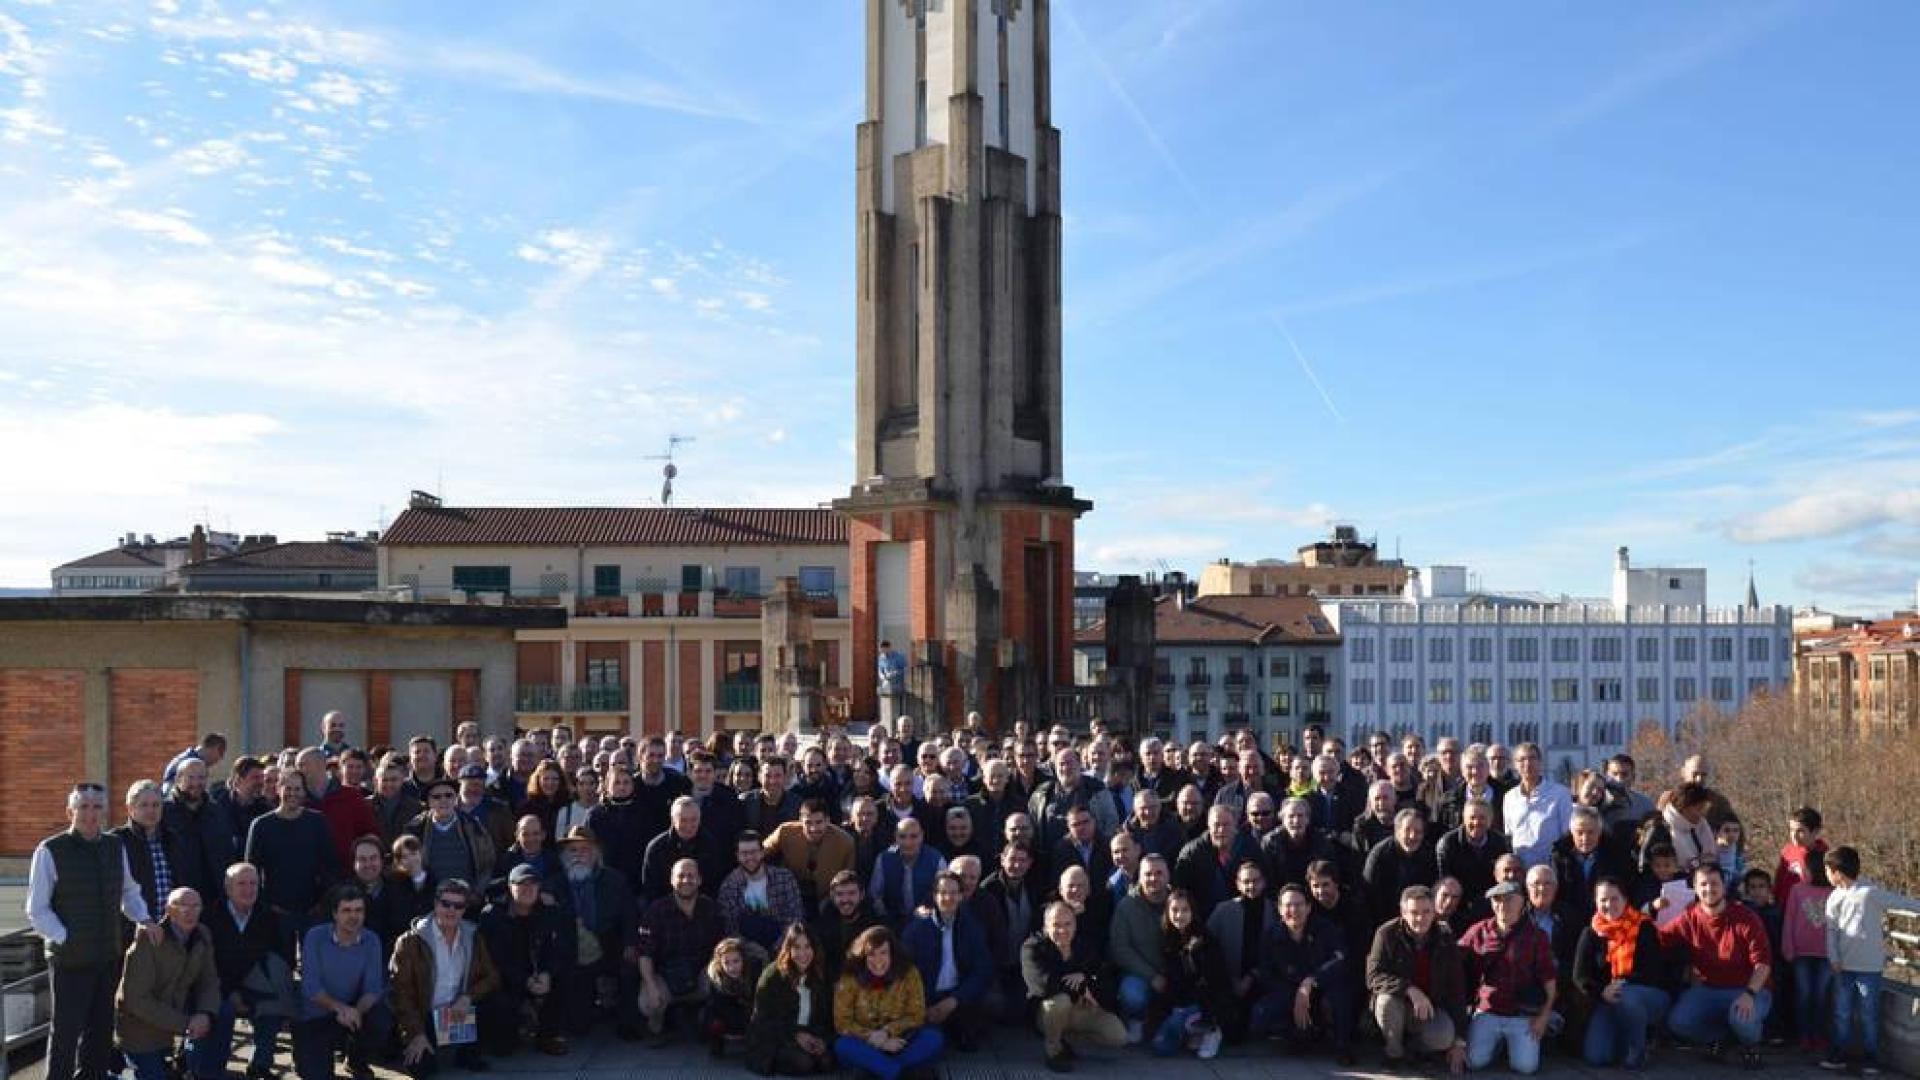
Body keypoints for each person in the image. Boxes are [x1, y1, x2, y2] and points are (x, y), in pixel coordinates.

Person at [29, 781, 161, 1080]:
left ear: (105, 811)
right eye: (83, 807)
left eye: (97, 807)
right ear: (70, 812)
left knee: (101, 1031)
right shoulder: (50, 850)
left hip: (107, 955)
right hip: (69, 960)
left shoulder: (115, 846)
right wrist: (67, 938)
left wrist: (145, 918)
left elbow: (129, 891)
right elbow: (37, 910)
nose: (90, 814)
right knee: (65, 1032)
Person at [1657, 863, 1773, 1068]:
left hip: (1748, 989)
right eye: (1703, 884)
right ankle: (1723, 1039)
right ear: (1694, 888)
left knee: (1742, 1019)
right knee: (1679, 1022)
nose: (1709, 889)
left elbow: (1763, 964)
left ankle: (1751, 1045)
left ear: (1724, 886)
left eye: (1714, 883)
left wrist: (1749, 994)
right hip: (1709, 989)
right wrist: (1648, 910)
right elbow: (1658, 938)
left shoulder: (1746, 917)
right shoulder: (1689, 917)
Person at [389, 878, 500, 1076]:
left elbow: (492, 977)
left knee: (498, 1004)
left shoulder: (473, 936)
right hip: (424, 1017)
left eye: (458, 906)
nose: (451, 910)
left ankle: (466, 1052)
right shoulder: (410, 941)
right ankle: (410, 1044)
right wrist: (416, 1033)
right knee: (422, 1069)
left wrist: (467, 997)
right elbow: (401, 993)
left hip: (458, 1013)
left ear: (465, 909)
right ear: (435, 903)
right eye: (445, 904)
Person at [1822, 845, 1918, 1074]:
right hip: (1843, 966)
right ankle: (1838, 1054)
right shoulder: (1834, 897)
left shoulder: (1869, 893)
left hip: (1869, 967)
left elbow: (1899, 901)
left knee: (1869, 1014)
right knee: (1841, 1012)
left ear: (1837, 871)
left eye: (1827, 869)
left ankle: (1871, 1058)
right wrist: (1833, 957)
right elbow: (1831, 931)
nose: (1826, 874)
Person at [193, 862, 292, 1080]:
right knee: (221, 1009)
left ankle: (260, 1065)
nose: (248, 889)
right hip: (216, 984)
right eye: (241, 884)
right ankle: (204, 1066)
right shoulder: (209, 917)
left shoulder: (269, 917)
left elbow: (280, 961)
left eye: (253, 883)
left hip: (255, 984)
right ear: (228, 888)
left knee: (272, 1004)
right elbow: (206, 965)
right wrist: (230, 993)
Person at [116, 886, 220, 1080]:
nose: (190, 912)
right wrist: (185, 1024)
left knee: (222, 1015)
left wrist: (205, 1014)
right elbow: (136, 1000)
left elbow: (209, 982)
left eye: (196, 906)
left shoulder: (202, 935)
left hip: (178, 1025)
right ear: (169, 910)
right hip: (141, 1032)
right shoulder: (148, 940)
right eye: (182, 906)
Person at [549, 824, 641, 1040]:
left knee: (629, 969)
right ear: (564, 854)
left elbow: (629, 915)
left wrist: (629, 944)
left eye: (585, 849)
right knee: (578, 1026)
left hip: (609, 944)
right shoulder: (554, 884)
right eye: (573, 850)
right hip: (572, 952)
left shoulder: (615, 880)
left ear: (595, 853)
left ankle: (627, 1023)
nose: (579, 855)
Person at [292, 885, 393, 1080]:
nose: (353, 916)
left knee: (381, 1019)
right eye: (346, 910)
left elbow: (372, 988)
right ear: (334, 914)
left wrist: (356, 1012)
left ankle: (356, 1059)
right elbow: (311, 987)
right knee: (315, 1074)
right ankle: (305, 1052)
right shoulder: (315, 937)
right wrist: (339, 1008)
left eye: (358, 910)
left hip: (352, 1013)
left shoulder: (371, 940)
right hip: (316, 1014)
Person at [1248, 884, 1355, 1064]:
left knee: (1340, 997)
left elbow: (1340, 960)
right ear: (1280, 909)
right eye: (1288, 905)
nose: (1293, 910)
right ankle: (1297, 1034)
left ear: (1308, 907)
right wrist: (1294, 992)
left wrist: (1311, 982)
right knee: (1261, 1015)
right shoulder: (1271, 935)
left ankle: (1342, 1046)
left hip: (1322, 988)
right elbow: (1266, 972)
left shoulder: (1325, 928)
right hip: (1288, 990)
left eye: (1298, 905)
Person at [1459, 880, 1557, 1075]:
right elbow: (1455, 959)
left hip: (1521, 1013)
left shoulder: (1537, 936)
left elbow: (1550, 980)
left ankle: (1513, 1044)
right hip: (1488, 1010)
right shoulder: (1478, 931)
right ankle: (1495, 1045)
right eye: (1497, 899)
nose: (1502, 905)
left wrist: (1544, 1015)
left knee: (1525, 1067)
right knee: (1474, 1062)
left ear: (1523, 902)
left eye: (1509, 899)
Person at [1367, 884, 1469, 1071]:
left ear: (1434, 912)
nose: (1420, 918)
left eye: (1426, 912)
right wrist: (1409, 989)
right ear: (1403, 912)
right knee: (1385, 1001)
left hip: (1430, 1006)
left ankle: (1416, 1050)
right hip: (1398, 1003)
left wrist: (1460, 1040)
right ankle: (1394, 1054)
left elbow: (1457, 988)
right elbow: (1373, 976)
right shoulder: (1386, 934)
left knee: (1444, 1036)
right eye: (1414, 912)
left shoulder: (1445, 937)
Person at [1574, 876, 1670, 1069]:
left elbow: (1654, 971)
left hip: (1647, 996)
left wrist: (1620, 984)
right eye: (1603, 900)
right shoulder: (1591, 932)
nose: (1609, 904)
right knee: (1596, 1057)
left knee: (1626, 997)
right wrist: (1602, 991)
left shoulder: (1643, 927)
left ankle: (1638, 1048)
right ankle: (1625, 1039)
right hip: (1607, 998)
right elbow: (1580, 976)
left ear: (1625, 900)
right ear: (1596, 902)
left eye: (1614, 898)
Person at [1022, 901, 1127, 1073]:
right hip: (1048, 1011)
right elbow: (1043, 985)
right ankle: (1053, 1050)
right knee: (1060, 1002)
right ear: (1046, 926)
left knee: (1118, 1035)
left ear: (1075, 924)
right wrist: (1081, 988)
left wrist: (1085, 978)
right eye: (1056, 925)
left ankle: (1068, 1041)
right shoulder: (1032, 947)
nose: (1063, 930)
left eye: (1067, 924)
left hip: (1081, 1009)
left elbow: (1104, 976)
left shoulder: (1085, 945)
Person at [477, 864, 570, 1057]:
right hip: (506, 980)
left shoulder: (551, 911)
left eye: (533, 884)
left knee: (563, 979)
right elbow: (495, 959)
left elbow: (559, 949)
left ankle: (548, 1036)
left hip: (538, 975)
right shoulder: (492, 916)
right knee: (503, 1048)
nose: (528, 889)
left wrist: (547, 973)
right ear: (510, 887)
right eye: (521, 884)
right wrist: (524, 980)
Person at [834, 924, 944, 1080]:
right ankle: (901, 1074)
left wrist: (887, 1032)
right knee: (842, 1046)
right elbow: (842, 1023)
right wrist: (874, 1038)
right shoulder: (849, 977)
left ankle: (879, 1071)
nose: (878, 960)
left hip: (901, 1042)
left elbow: (917, 1015)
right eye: (871, 954)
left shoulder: (909, 973)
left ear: (892, 953)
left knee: (933, 1038)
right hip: (866, 1044)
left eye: (883, 953)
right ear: (863, 956)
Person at [900, 870, 991, 1051]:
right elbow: (905, 971)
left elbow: (982, 970)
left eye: (953, 893)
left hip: (957, 995)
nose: (948, 898)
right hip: (925, 996)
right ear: (934, 896)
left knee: (974, 1034)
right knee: (930, 1041)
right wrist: (922, 1004)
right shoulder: (916, 930)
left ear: (961, 896)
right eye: (943, 893)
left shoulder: (973, 928)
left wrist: (954, 1000)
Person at [637, 857, 723, 1046]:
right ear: (671, 880)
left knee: (725, 979)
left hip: (701, 973)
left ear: (700, 880)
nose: (686, 880)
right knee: (648, 1002)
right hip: (666, 976)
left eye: (691, 876)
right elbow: (644, 953)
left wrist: (714, 970)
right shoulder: (656, 910)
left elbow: (722, 949)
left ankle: (711, 1024)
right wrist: (651, 984)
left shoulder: (711, 908)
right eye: (681, 876)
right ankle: (656, 1027)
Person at [745, 922, 836, 1076]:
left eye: (807, 946)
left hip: (809, 1032)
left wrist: (822, 1040)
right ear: (788, 949)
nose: (803, 953)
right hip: (777, 1036)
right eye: (797, 947)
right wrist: (795, 1035)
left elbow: (826, 1016)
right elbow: (762, 1019)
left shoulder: (820, 973)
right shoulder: (773, 975)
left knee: (826, 1062)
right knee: (803, 1064)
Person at [1150, 887, 1229, 1059]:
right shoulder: (1168, 939)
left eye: (1185, 910)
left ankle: (1210, 1031)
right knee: (1161, 1046)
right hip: (1178, 1004)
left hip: (1203, 1003)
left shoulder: (1205, 941)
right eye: (1175, 910)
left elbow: (1213, 982)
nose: (1179, 915)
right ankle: (1192, 1032)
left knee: (1177, 1027)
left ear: (1193, 912)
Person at [1109, 853, 1169, 1042]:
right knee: (1132, 995)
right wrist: (1152, 976)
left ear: (1168, 875)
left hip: (1173, 972)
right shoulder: (1126, 906)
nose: (1153, 878)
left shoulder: (1178, 903)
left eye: (1159, 873)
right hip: (1140, 975)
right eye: (1148, 874)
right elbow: (1120, 949)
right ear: (1140, 877)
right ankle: (1136, 1020)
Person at [403, 776, 495, 897]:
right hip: (428, 899)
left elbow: (488, 864)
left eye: (449, 795)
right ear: (429, 802)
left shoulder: (473, 826)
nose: (443, 800)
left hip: (467, 899)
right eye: (437, 797)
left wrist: (477, 893)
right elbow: (406, 866)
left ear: (456, 798)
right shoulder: (415, 829)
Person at [719, 830, 806, 952]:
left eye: (754, 852)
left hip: (784, 944)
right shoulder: (729, 886)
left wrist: (778, 947)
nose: (749, 857)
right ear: (737, 856)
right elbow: (730, 928)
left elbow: (795, 917)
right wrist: (754, 950)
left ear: (762, 852)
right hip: (747, 950)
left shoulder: (784, 878)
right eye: (744, 853)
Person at [765, 799, 855, 911]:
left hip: (827, 898)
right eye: (808, 823)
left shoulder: (845, 843)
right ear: (800, 820)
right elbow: (759, 854)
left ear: (827, 821)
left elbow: (849, 879)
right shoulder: (784, 832)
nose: (813, 828)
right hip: (789, 894)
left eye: (819, 822)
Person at [1502, 743, 1573, 869]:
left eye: (1532, 758)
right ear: (1515, 765)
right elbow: (1509, 834)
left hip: (1549, 869)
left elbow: (1566, 833)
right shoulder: (1509, 797)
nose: (1527, 764)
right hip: (1519, 869)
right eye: (1522, 759)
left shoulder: (1560, 793)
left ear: (1540, 762)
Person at [869, 816, 946, 925]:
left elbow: (945, 894)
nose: (908, 842)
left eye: (914, 836)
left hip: (928, 921)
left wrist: (932, 910)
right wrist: (885, 917)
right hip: (892, 921)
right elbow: (875, 895)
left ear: (922, 836)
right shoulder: (884, 859)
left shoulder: (937, 860)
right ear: (895, 837)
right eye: (902, 836)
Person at [701, 937, 764, 1058]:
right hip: (727, 1015)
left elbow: (760, 1001)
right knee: (709, 1018)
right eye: (727, 963)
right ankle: (717, 1045)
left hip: (750, 1011)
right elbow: (718, 1006)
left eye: (736, 961)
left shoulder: (755, 973)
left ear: (743, 960)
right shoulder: (716, 979)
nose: (732, 967)